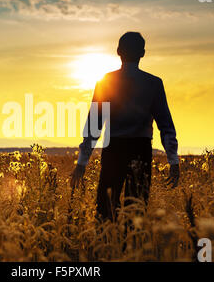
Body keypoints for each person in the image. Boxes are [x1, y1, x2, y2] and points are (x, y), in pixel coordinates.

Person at [70, 32, 180, 221]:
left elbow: (94, 126)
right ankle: (132, 248)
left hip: (114, 149)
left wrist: (82, 163)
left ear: (118, 51)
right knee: (136, 212)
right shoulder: (153, 83)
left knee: (105, 211)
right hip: (141, 151)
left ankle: (106, 249)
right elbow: (166, 126)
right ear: (143, 53)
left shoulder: (106, 81)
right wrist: (173, 160)